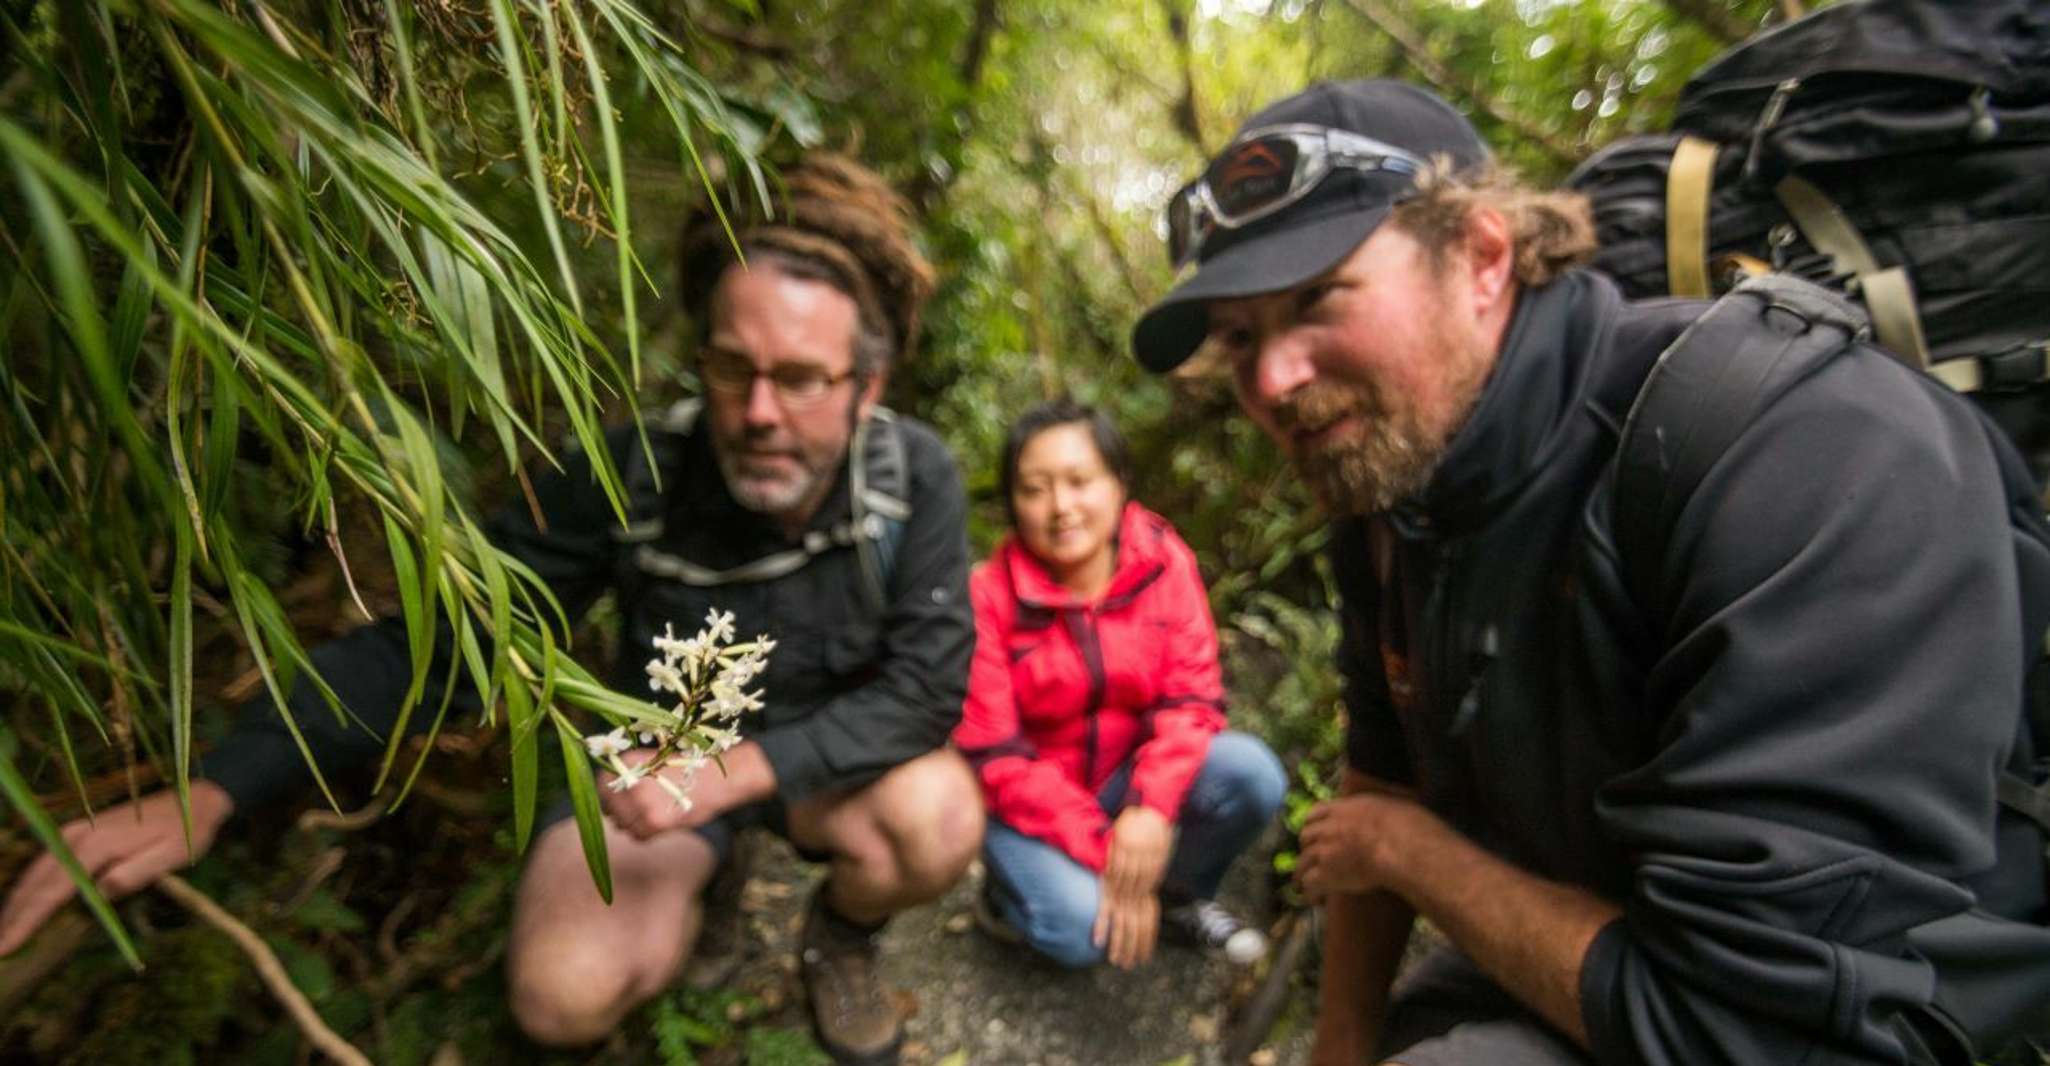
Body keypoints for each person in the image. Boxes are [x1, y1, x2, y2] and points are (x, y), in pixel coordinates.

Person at [1129, 79, 2050, 1066]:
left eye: (1317, 298)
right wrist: (1340, 1042)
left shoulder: (1785, 445)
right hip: (1630, 937)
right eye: (1237, 339)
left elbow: (1740, 1031)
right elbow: (1381, 768)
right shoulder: (1395, 492)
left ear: (1481, 257)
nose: (1270, 381)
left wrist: (1412, 854)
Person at [0, 154, 982, 1066]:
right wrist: (220, 782)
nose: (760, 411)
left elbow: (923, 690)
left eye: (802, 379)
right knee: (560, 996)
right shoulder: (630, 470)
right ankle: (706, 886)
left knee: (934, 818)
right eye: (733, 368)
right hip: (656, 769)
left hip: (822, 762)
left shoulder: (910, 479)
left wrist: (734, 774)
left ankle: (841, 937)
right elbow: (457, 641)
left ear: (866, 387)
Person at [953, 399, 1286, 971]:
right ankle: (1007, 898)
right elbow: (994, 756)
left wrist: (1150, 812)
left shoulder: (1162, 561)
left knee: (1251, 774)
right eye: (1034, 489)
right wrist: (1110, 854)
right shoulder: (987, 596)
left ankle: (1180, 898)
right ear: (1012, 502)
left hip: (1123, 783)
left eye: (1080, 481)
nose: (1061, 507)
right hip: (1030, 805)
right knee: (1082, 936)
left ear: (1119, 483)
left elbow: (1190, 698)